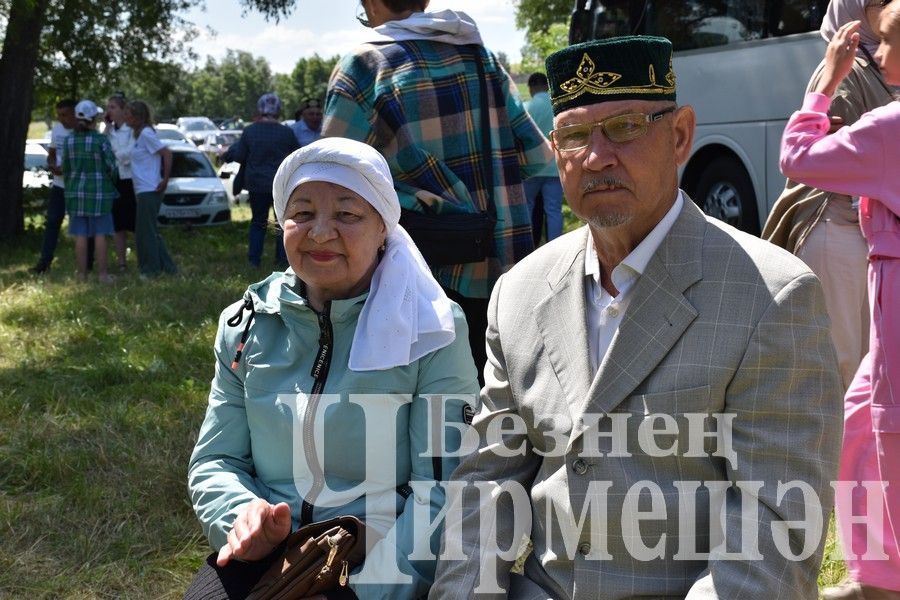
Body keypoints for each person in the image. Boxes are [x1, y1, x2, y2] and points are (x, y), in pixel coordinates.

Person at [430, 36, 844, 599]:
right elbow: (484, 485)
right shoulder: (519, 293)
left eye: (625, 127)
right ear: (555, 151)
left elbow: (773, 536)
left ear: (679, 137)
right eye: (575, 135)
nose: (598, 157)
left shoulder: (770, 298)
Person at [183, 137, 480, 600]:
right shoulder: (246, 326)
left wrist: (358, 594)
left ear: (384, 228)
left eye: (346, 214)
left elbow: (443, 489)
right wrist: (242, 518)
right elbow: (216, 459)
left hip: (377, 555)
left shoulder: (433, 331)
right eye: (302, 213)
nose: (320, 233)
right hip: (270, 553)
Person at [322, 0, 552, 378]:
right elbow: (536, 156)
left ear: (373, 3)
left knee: (413, 410)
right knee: (487, 403)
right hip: (497, 267)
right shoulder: (480, 57)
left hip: (407, 275)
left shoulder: (364, 67)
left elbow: (330, 180)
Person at [780, 9, 900, 598]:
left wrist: (824, 84)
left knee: (885, 427)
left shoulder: (888, 125)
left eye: (888, 43)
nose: (877, 53)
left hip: (893, 296)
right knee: (857, 418)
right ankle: (875, 573)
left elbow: (798, 156)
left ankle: (886, 578)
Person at [763, 0, 896, 391]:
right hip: (835, 226)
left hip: (864, 233)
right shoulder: (847, 69)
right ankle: (829, 450)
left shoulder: (874, 67)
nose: (888, 7)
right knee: (839, 360)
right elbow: (810, 159)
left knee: (863, 363)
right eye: (878, 3)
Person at [221, 93, 298, 268]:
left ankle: (254, 260)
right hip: (281, 184)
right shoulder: (287, 132)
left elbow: (240, 155)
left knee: (257, 222)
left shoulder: (250, 131)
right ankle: (282, 260)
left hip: (256, 184)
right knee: (281, 222)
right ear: (278, 110)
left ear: (260, 108)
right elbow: (295, 156)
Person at [62, 100, 119, 283]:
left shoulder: (68, 140)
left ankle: (81, 275)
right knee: (100, 234)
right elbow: (112, 167)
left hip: (75, 194)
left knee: (80, 235)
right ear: (94, 120)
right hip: (100, 194)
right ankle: (102, 275)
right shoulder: (101, 140)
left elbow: (65, 168)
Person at [125, 100, 177, 278]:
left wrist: (165, 179)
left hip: (150, 189)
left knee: (145, 232)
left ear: (138, 117)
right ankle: (168, 268)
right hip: (143, 190)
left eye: (129, 114)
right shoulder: (138, 135)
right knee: (150, 231)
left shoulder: (146, 133)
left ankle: (151, 270)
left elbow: (167, 153)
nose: (126, 117)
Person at [32, 98, 77, 274]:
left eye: (65, 115)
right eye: (58, 115)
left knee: (78, 225)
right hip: (59, 186)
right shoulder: (57, 129)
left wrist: (67, 169)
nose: (61, 118)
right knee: (52, 222)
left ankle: (84, 262)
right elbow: (52, 153)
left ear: (74, 114)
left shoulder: (82, 132)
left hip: (76, 186)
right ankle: (44, 262)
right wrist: (51, 164)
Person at [524, 72, 564, 245]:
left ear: (531, 88)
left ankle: (526, 245)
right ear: (547, 86)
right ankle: (554, 246)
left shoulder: (526, 107)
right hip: (555, 166)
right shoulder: (557, 106)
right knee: (553, 210)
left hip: (531, 167)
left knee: (527, 208)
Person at [105, 92, 136, 272]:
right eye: (108, 108)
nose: (109, 111)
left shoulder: (132, 130)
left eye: (113, 107)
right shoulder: (108, 130)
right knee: (118, 225)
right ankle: (121, 262)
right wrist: (106, 132)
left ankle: (143, 260)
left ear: (123, 110)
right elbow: (104, 153)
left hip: (131, 180)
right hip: (114, 180)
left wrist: (114, 153)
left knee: (134, 222)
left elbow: (128, 156)